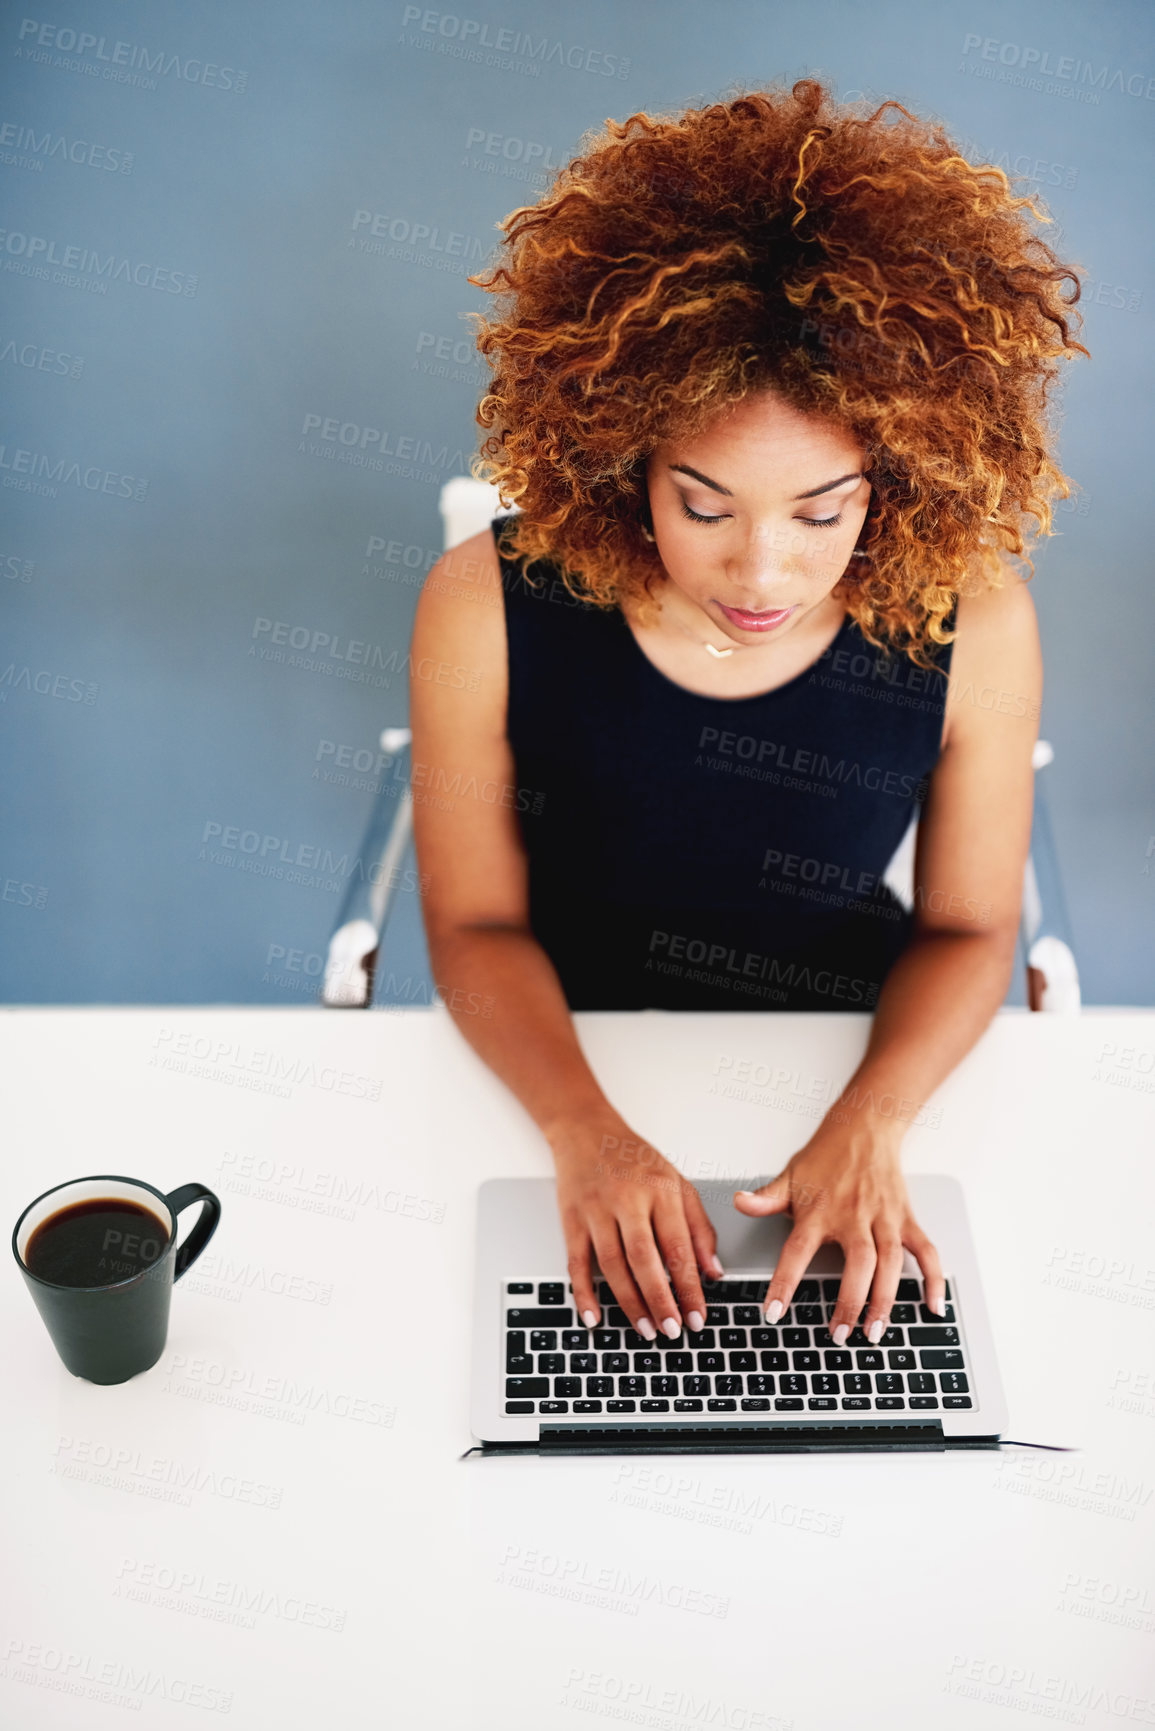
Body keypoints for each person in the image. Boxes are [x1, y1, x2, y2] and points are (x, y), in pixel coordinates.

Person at [408, 79, 1086, 1348]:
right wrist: (583, 1134)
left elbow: (970, 925)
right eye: (705, 507)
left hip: (846, 1041)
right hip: (569, 1035)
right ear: (622, 460)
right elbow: (476, 921)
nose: (761, 574)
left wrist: (874, 1123)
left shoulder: (974, 621)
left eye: (822, 512)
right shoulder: (480, 604)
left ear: (901, 476)